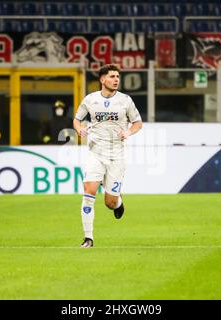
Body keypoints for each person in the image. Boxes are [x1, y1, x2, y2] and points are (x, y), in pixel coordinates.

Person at [73, 64, 143, 248]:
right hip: (95, 153)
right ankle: (88, 238)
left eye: (117, 76)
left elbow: (137, 123)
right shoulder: (90, 99)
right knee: (89, 192)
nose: (116, 79)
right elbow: (77, 119)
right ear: (102, 79)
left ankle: (118, 202)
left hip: (116, 156)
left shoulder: (125, 100)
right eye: (112, 76)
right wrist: (79, 128)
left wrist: (128, 132)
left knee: (109, 203)